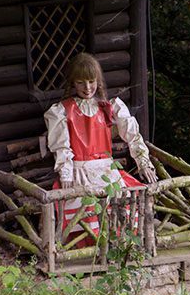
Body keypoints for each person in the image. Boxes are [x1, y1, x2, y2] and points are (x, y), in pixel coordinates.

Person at [43, 53, 157, 243]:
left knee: (125, 202)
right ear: (73, 83)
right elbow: (61, 146)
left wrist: (143, 162)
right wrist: (66, 174)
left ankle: (120, 246)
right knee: (85, 211)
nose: (87, 88)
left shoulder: (110, 107)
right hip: (80, 172)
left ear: (98, 81)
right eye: (81, 82)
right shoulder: (62, 111)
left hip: (107, 172)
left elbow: (132, 134)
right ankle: (89, 249)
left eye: (91, 81)